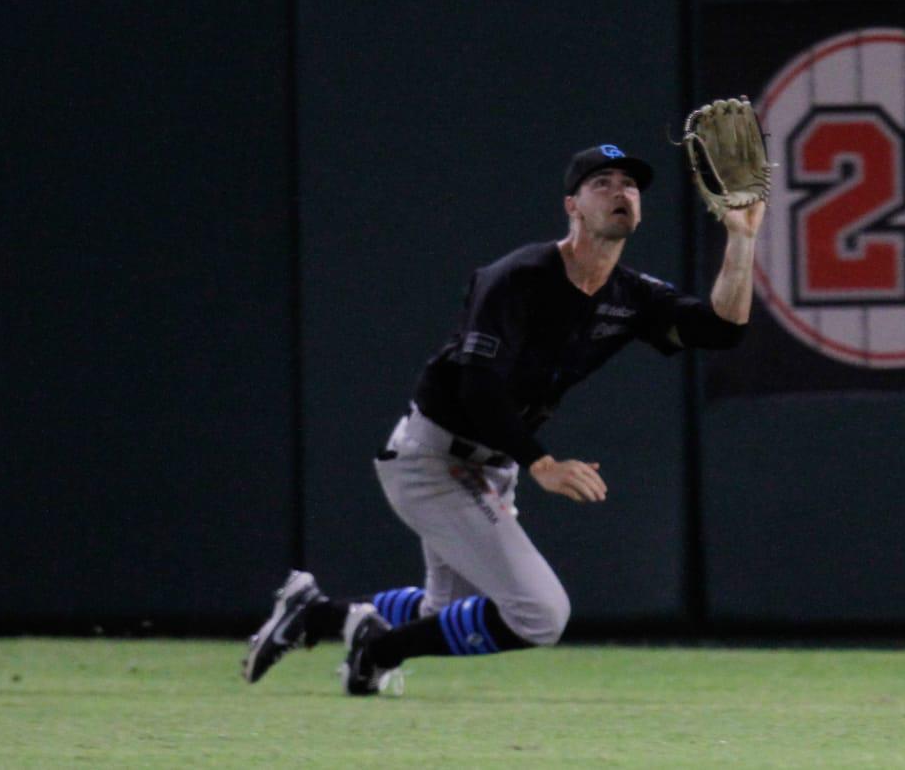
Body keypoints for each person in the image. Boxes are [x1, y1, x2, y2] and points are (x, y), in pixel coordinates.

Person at [242, 142, 765, 694]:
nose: (621, 192)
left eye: (630, 185)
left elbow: (722, 329)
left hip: (490, 463)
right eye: (603, 182)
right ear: (573, 205)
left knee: (445, 610)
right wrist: (541, 463)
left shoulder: (631, 294)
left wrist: (741, 236)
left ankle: (317, 615)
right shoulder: (517, 276)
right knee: (541, 613)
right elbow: (477, 387)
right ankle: (375, 646)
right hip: (433, 458)